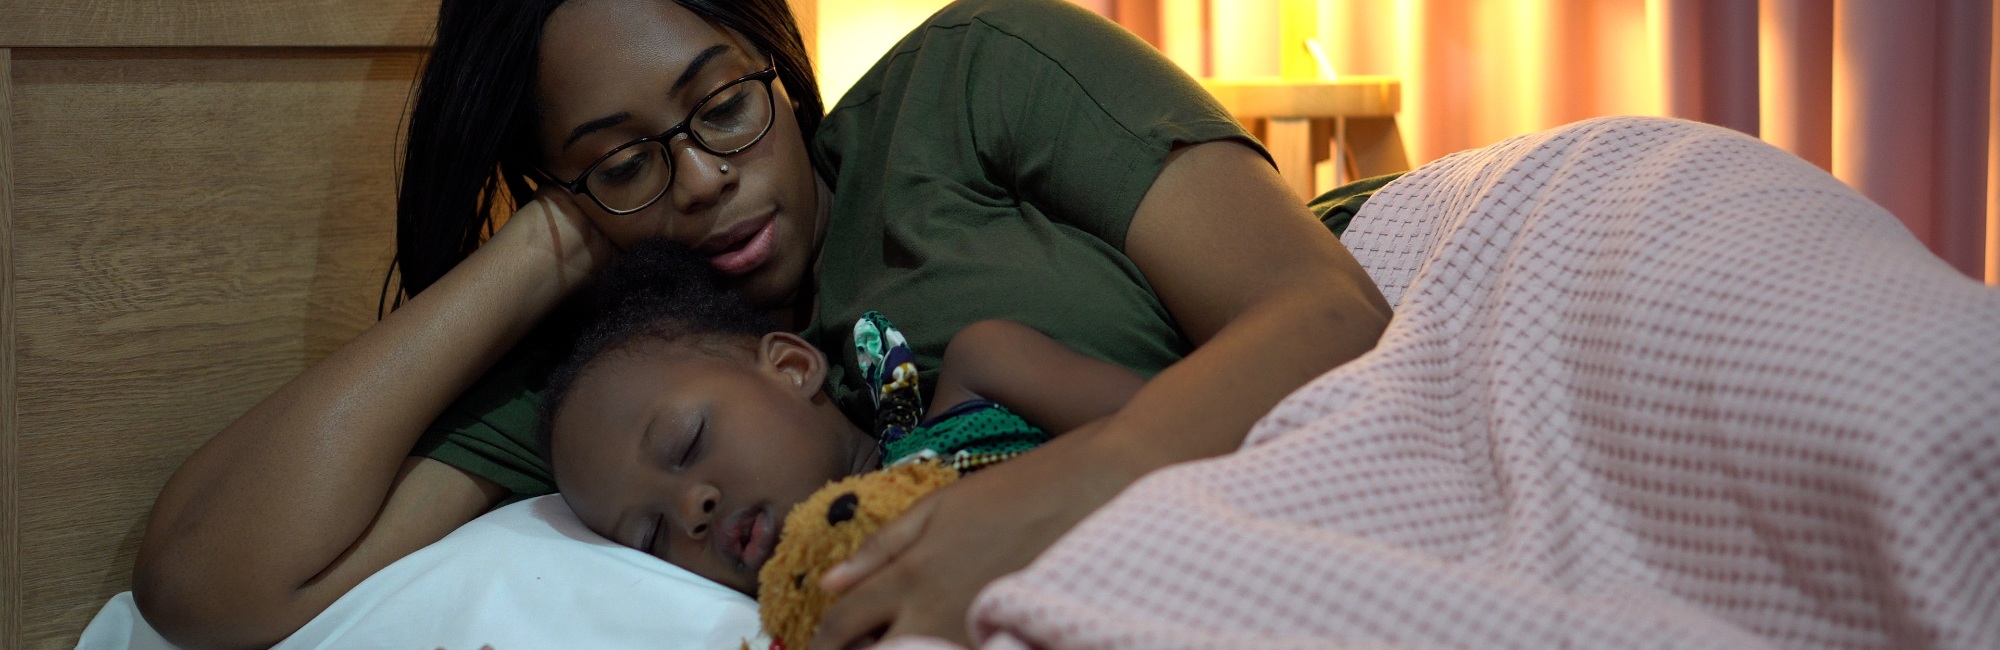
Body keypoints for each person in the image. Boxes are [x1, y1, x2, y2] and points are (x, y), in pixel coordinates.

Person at [133, 0, 1393, 648]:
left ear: (771, 61)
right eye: (623, 159)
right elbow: (204, 581)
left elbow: (1332, 311)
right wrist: (549, 242)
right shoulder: (621, 386)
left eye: (721, 106)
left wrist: (1052, 495)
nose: (697, 180)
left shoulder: (970, 77)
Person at [541, 237, 1146, 596]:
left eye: (687, 442)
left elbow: (1187, 430)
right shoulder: (814, 622)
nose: (688, 511)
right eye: (651, 539)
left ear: (791, 367)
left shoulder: (981, 374)